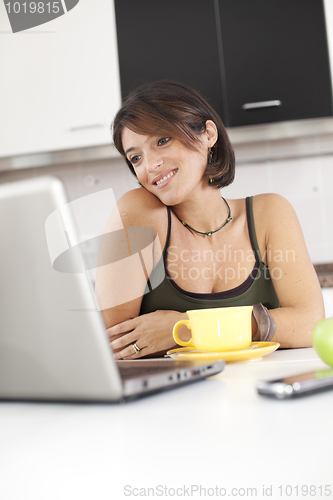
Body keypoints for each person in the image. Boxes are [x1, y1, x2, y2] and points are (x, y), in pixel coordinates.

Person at [95, 80, 325, 359]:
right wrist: (252, 325)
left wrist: (188, 328)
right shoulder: (138, 212)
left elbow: (309, 323)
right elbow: (115, 341)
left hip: (259, 388)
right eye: (136, 158)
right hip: (171, 396)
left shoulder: (270, 213)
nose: (150, 165)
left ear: (208, 134)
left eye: (162, 140)